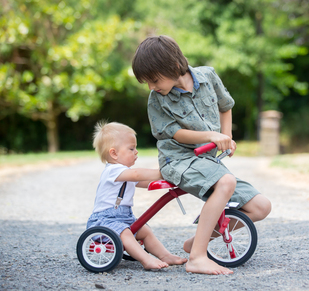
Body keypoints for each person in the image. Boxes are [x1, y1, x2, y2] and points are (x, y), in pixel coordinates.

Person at [131, 35, 272, 275]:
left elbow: (225, 106)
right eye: (147, 82)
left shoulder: (208, 76)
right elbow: (174, 134)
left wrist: (226, 137)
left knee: (260, 207)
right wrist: (210, 136)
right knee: (226, 181)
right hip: (178, 160)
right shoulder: (157, 99)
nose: (151, 86)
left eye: (154, 79)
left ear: (174, 66)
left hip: (207, 160)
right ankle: (197, 258)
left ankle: (198, 241)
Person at [86, 121, 187, 271]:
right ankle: (146, 260)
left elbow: (145, 182)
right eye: (131, 148)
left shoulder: (125, 173)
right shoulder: (113, 170)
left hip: (125, 218)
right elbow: (137, 174)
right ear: (114, 153)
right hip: (105, 221)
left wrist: (169, 181)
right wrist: (163, 172)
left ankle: (165, 255)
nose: (136, 152)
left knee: (145, 231)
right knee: (125, 233)